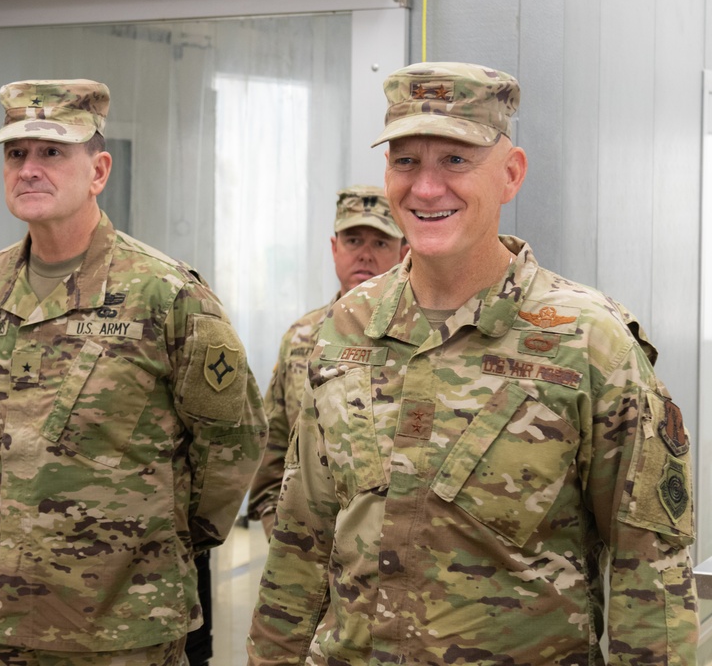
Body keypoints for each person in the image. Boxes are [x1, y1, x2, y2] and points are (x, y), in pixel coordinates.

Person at [247, 62, 698, 664]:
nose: (427, 188)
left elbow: (652, 572)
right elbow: (302, 539)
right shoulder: (344, 328)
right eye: (406, 161)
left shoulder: (590, 343)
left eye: (456, 160)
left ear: (511, 175)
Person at [0, 78, 267, 666]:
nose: (29, 169)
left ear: (98, 171)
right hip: (3, 616)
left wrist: (170, 540)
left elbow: (233, 443)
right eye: (16, 153)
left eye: (52, 152)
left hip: (126, 623)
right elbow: (0, 444)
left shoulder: (165, 292)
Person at [246, 185, 407, 539]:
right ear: (334, 249)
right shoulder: (301, 337)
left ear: (403, 252)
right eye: (353, 241)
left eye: (380, 243)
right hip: (307, 556)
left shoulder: (421, 341)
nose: (365, 255)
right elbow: (270, 455)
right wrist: (286, 536)